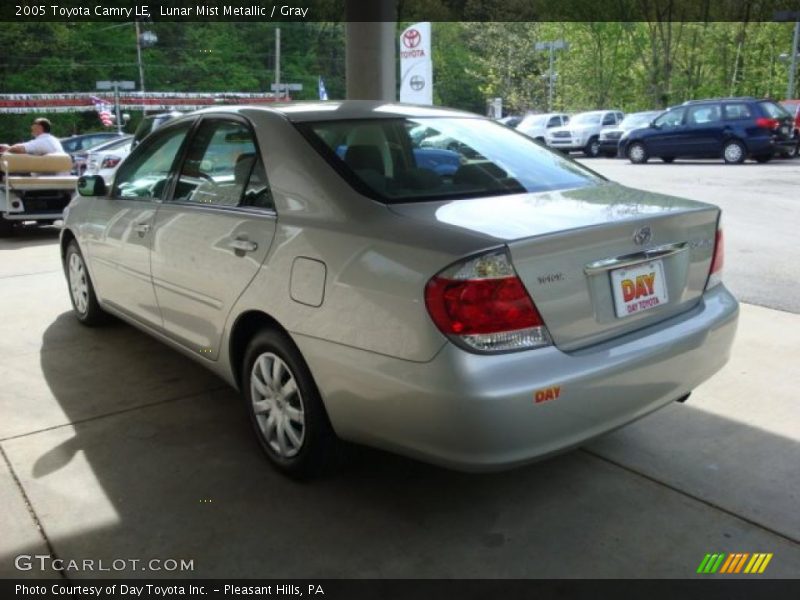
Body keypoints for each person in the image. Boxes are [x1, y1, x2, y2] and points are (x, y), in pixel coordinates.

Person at [0, 118, 65, 155]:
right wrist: (9, 147)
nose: (31, 127)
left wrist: (6, 149)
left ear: (40, 127)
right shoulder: (53, 140)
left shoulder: (41, 141)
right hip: (58, 175)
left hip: (48, 176)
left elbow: (19, 148)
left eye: (34, 124)